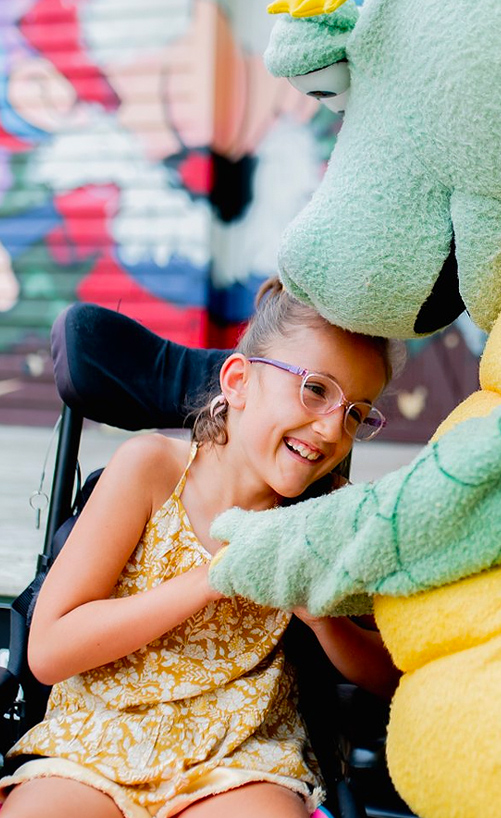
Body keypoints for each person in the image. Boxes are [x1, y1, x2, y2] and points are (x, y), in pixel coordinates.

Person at [0, 279, 403, 818]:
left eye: (355, 413)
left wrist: (322, 619)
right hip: (97, 736)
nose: (333, 429)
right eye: (315, 390)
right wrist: (211, 578)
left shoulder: (325, 517)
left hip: (240, 755)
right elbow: (49, 652)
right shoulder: (151, 469)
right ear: (237, 381)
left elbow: (392, 674)